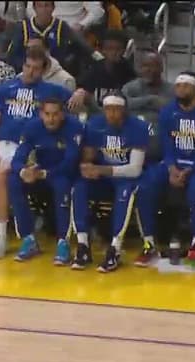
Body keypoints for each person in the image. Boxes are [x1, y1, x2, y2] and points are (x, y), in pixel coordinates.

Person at [0, 48, 71, 260]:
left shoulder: (51, 91)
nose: (30, 72)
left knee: (5, 174)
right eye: (27, 66)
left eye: (36, 68)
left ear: (44, 71)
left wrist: (80, 94)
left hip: (25, 149)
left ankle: (1, 234)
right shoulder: (6, 88)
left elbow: (79, 100)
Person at [136, 74, 195, 268]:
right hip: (173, 164)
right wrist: (172, 168)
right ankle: (148, 244)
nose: (180, 89)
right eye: (178, 86)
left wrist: (188, 170)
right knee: (144, 186)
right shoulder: (168, 111)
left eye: (185, 86)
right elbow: (166, 145)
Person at [71, 94, 149, 272]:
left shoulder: (138, 127)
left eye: (116, 109)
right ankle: (83, 245)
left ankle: (115, 248)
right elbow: (88, 155)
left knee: (126, 192)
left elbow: (135, 169)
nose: (112, 114)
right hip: (103, 177)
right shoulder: (94, 125)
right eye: (108, 109)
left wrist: (101, 170)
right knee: (79, 187)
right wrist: (86, 165)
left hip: (125, 177)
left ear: (125, 110)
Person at [8, 97, 83, 263]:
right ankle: (28, 239)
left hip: (65, 173)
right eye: (47, 114)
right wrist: (24, 172)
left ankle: (63, 242)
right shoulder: (32, 127)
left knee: (62, 184)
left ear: (62, 114)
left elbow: (71, 162)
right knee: (13, 180)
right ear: (41, 114)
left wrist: (43, 174)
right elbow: (17, 158)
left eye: (55, 114)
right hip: (41, 172)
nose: (51, 119)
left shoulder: (74, 127)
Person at [69, 30, 136, 114]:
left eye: (118, 49)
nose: (114, 53)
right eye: (109, 49)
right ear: (102, 50)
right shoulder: (94, 69)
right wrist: (80, 92)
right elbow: (83, 89)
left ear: (123, 51)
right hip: (97, 114)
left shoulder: (129, 71)